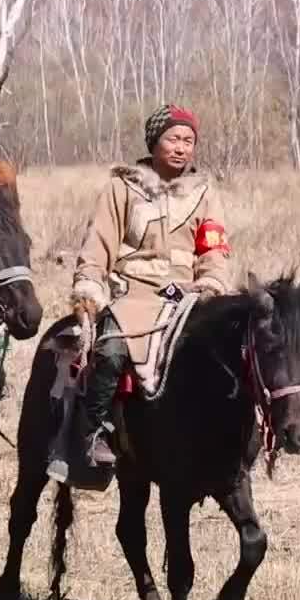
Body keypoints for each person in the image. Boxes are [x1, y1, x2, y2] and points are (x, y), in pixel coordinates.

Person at [60, 103, 233, 479]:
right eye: (174, 138)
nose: (182, 148)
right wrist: (89, 288)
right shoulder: (123, 188)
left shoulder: (204, 193)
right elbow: (98, 245)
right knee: (110, 349)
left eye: (189, 141)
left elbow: (214, 250)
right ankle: (94, 434)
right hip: (131, 294)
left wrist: (210, 285)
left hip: (186, 297)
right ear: (154, 142)